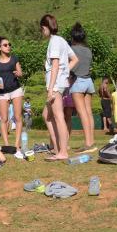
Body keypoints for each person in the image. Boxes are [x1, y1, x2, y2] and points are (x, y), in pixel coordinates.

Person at [40, 14, 79, 161]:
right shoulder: (61, 40)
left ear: (45, 27)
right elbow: (75, 59)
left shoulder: (54, 42)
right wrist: (65, 73)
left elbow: (55, 65)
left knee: (58, 117)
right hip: (59, 83)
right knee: (47, 115)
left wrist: (51, 88)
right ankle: (57, 148)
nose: (42, 32)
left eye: (42, 29)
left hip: (55, 85)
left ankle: (63, 151)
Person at [0, 36, 24, 158]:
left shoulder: (14, 58)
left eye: (9, 44)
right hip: (2, 92)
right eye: (5, 45)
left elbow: (20, 72)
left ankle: (16, 144)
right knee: (4, 119)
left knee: (17, 117)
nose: (8, 46)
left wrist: (19, 73)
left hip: (16, 89)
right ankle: (6, 145)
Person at [69, 22, 96, 153]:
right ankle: (92, 141)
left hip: (78, 82)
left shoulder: (71, 49)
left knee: (82, 113)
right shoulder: (88, 50)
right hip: (89, 81)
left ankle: (87, 144)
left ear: (73, 38)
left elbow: (71, 67)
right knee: (89, 112)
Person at [63, 74, 76, 138]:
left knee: (68, 117)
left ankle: (67, 138)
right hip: (61, 91)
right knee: (61, 117)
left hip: (69, 93)